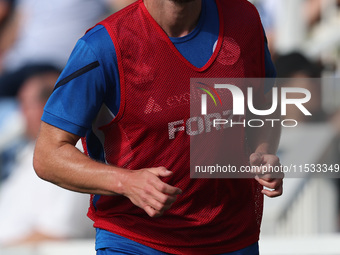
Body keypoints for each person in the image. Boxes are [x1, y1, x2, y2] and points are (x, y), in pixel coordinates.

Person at [34, 0, 283, 254]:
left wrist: (262, 150)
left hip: (234, 238)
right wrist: (127, 182)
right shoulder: (102, 46)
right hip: (137, 241)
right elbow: (48, 155)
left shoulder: (244, 18)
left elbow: (265, 102)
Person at [0, 71, 93, 246]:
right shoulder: (29, 150)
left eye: (25, 105)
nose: (20, 116)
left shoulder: (73, 156)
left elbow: (59, 233)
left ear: (48, 107)